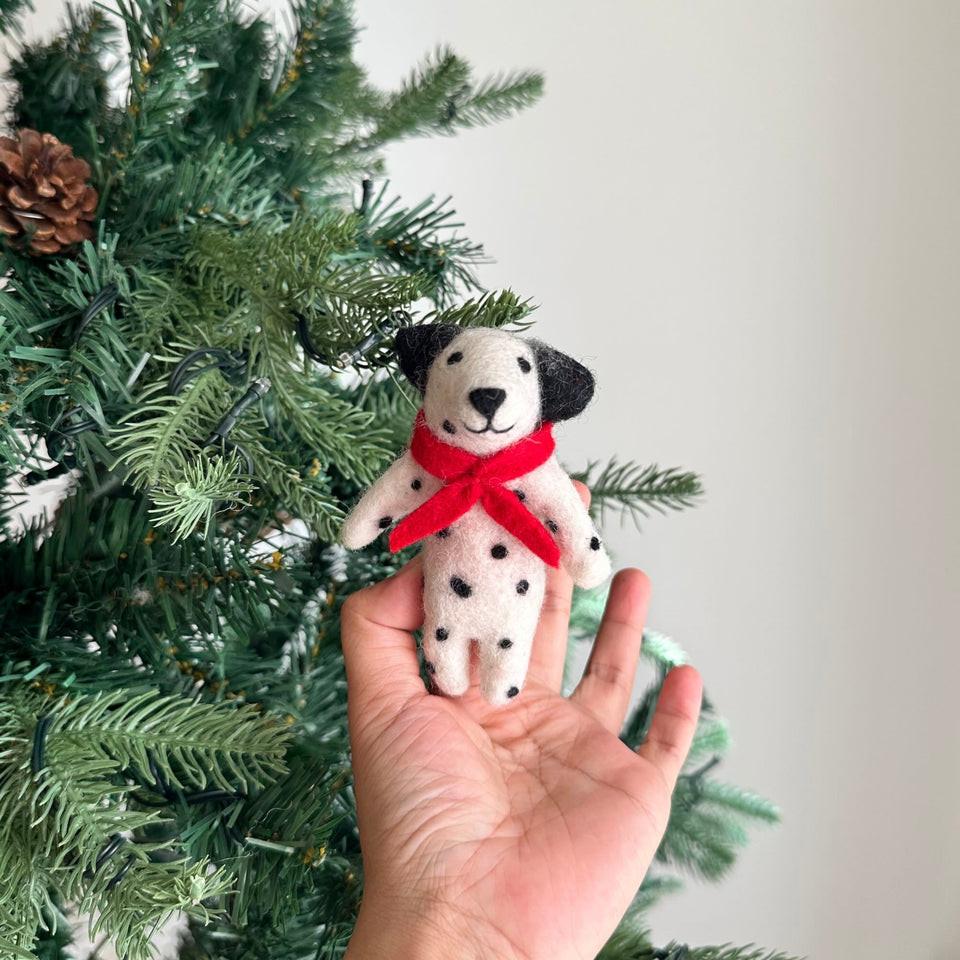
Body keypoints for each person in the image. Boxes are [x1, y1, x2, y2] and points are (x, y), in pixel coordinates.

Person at [341, 485, 702, 960]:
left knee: (494, 647)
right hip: (461, 599)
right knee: (452, 649)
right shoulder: (445, 466)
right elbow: (402, 491)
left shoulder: (533, 477)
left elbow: (563, 515)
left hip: (499, 601)